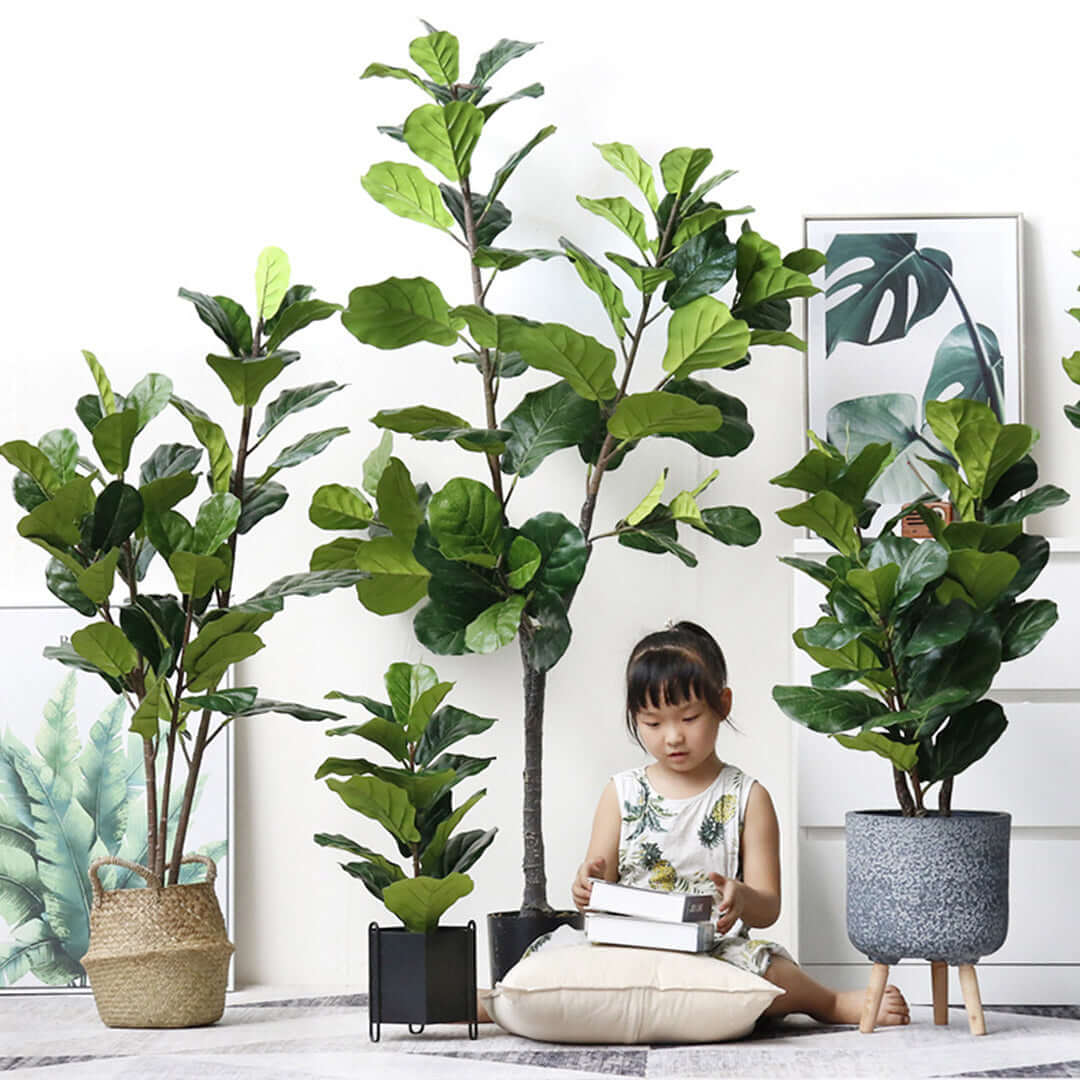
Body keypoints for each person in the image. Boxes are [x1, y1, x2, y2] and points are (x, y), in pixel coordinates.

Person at [538, 620, 910, 1028]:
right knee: (550, 965)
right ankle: (489, 1003)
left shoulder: (748, 798)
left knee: (773, 973)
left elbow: (769, 906)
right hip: (631, 949)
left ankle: (828, 1003)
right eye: (653, 722)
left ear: (723, 704)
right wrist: (586, 885)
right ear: (634, 718)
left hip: (713, 953)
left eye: (689, 717)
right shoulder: (620, 792)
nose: (673, 737)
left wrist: (742, 897)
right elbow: (599, 890)